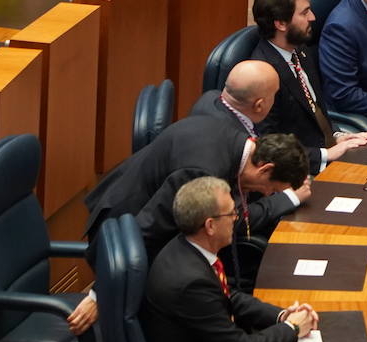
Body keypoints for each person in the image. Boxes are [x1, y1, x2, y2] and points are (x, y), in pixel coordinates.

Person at [140, 178, 317, 342]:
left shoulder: (187, 249)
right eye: (231, 212)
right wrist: (292, 329)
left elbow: (228, 296)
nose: (237, 217)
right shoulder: (190, 283)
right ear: (210, 225)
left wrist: (280, 315)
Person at [83, 113, 309, 264]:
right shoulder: (201, 172)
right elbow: (149, 227)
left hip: (133, 208)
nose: (268, 194)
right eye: (272, 189)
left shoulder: (230, 135)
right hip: (121, 232)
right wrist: (103, 289)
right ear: (265, 169)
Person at [249, 0, 367, 173]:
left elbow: (315, 108)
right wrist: (326, 155)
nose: (313, 17)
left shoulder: (300, 50)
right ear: (281, 23)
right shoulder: (263, 76)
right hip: (300, 171)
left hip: (327, 147)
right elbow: (268, 148)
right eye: (305, 12)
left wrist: (337, 136)